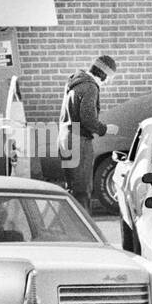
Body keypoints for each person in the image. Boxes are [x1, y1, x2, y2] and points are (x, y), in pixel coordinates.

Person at [57, 54, 117, 212]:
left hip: (65, 138)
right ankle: (84, 232)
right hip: (79, 140)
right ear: (104, 74)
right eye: (110, 77)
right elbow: (88, 119)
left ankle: (69, 228)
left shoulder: (75, 81)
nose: (109, 82)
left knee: (72, 189)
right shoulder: (90, 87)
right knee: (82, 191)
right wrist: (105, 129)